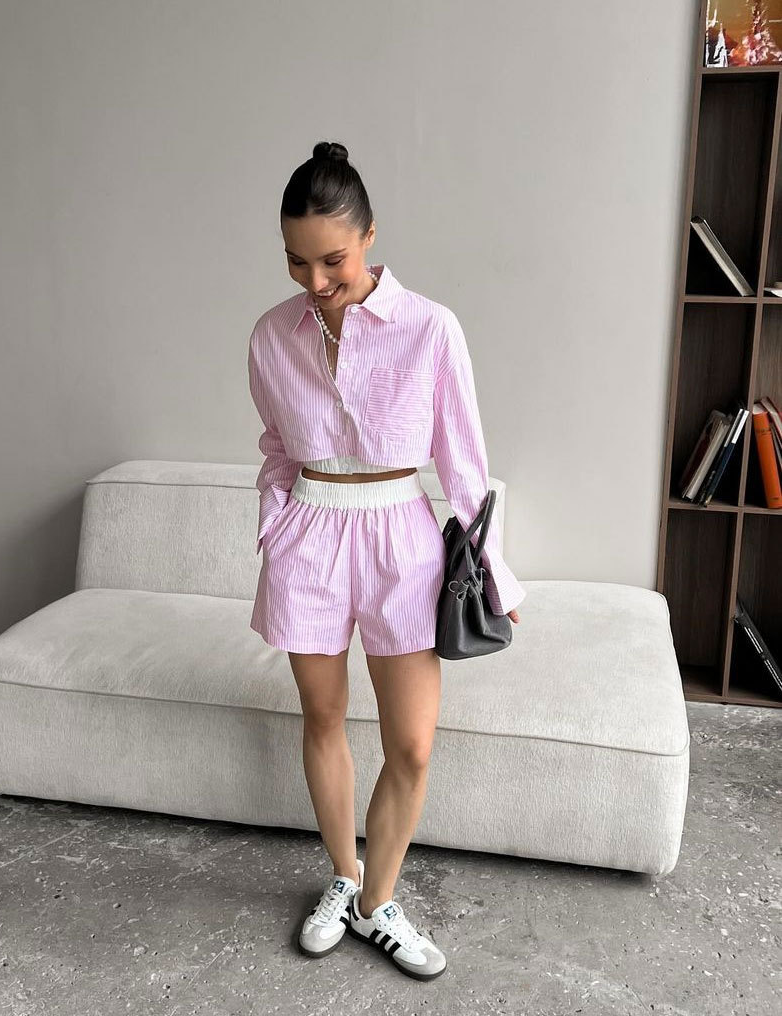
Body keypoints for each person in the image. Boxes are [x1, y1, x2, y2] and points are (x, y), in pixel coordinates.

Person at [247, 140, 525, 981]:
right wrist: (274, 527)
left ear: (369, 236)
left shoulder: (431, 328)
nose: (315, 280)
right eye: (297, 261)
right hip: (309, 537)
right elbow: (275, 448)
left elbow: (465, 464)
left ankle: (378, 903)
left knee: (411, 746)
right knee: (323, 719)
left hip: (402, 536)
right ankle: (343, 877)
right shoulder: (270, 335)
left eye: (333, 259)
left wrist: (496, 571)